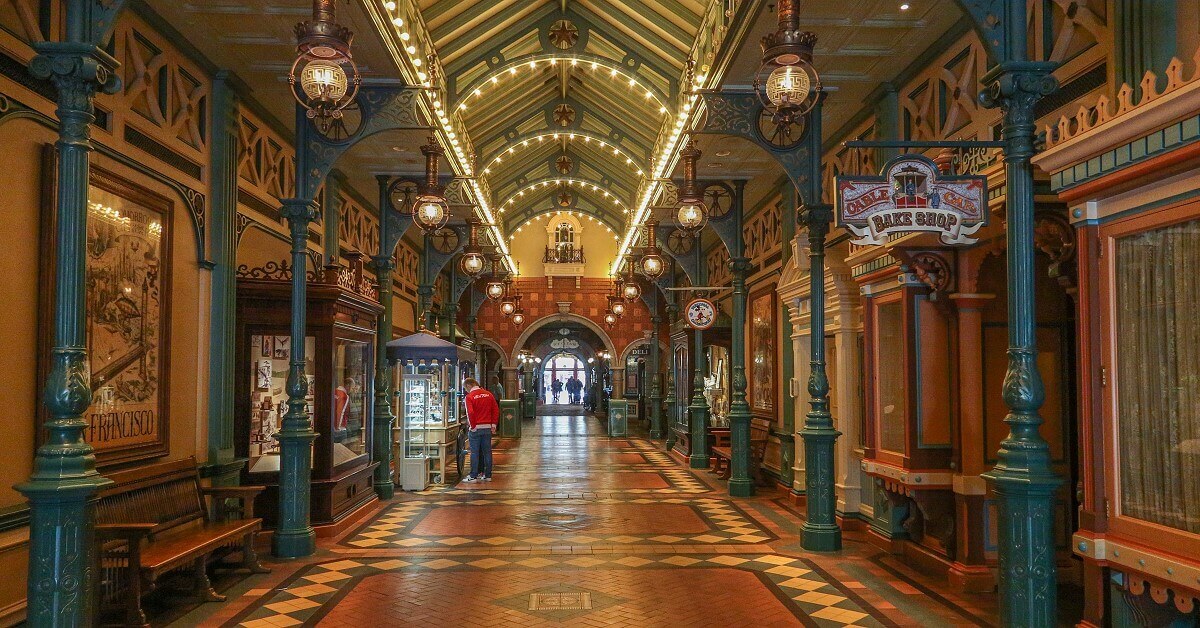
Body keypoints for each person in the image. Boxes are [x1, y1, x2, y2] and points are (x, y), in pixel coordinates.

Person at [462, 378, 499, 482]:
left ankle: (473, 475)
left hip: (476, 428)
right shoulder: (489, 394)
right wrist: (493, 424)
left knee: (474, 452)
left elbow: (470, 413)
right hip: (487, 427)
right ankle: (488, 475)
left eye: (466, 388)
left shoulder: (469, 397)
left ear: (469, 386)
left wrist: (472, 426)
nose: (466, 391)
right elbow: (495, 410)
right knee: (487, 452)